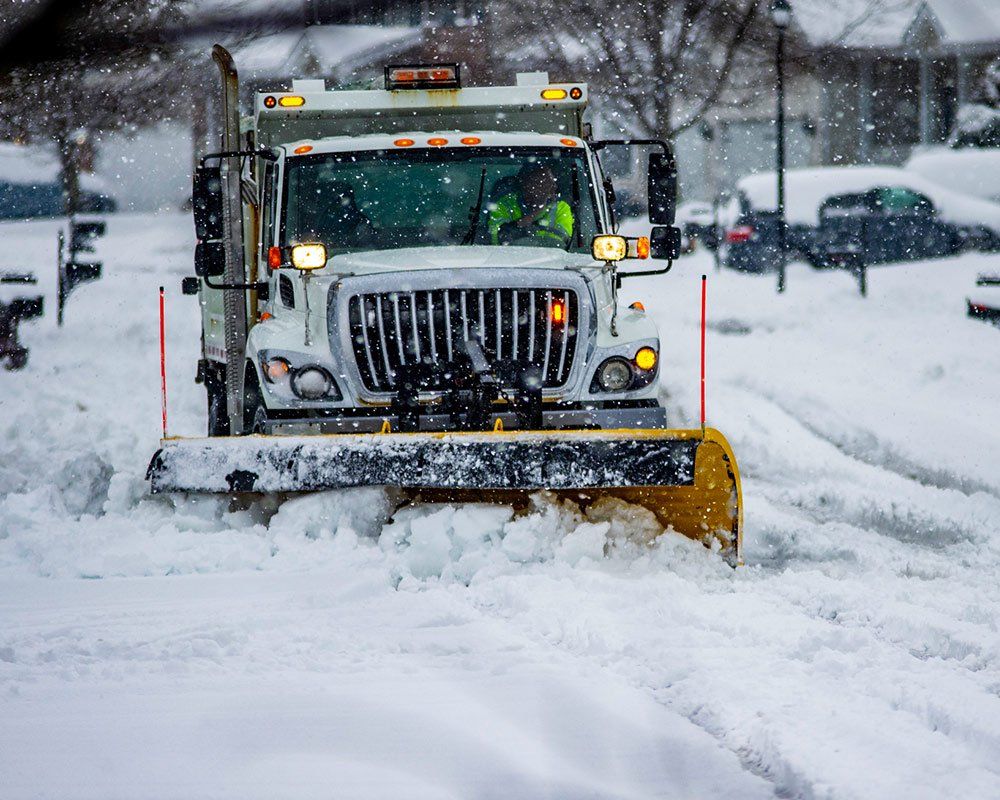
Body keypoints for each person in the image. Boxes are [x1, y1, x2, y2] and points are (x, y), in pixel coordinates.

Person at [488, 165, 574, 246]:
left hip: (550, 259)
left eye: (552, 183)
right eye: (546, 183)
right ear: (527, 185)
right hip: (506, 258)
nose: (554, 187)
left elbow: (562, 243)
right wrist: (533, 215)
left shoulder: (560, 208)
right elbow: (496, 239)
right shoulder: (505, 204)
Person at [322, 180, 374, 244]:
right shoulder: (324, 219)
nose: (338, 202)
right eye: (334, 199)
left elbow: (366, 247)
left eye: (344, 199)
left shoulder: (361, 221)